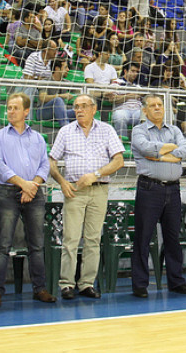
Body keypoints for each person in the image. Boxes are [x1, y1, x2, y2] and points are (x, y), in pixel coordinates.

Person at [48, 94, 124, 300]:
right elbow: (51, 161)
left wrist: (95, 174)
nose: (79, 110)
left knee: (93, 238)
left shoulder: (107, 130)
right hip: (74, 190)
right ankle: (66, 284)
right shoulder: (65, 131)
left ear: (94, 109)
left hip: (99, 189)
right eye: (76, 107)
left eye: (83, 106)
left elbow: (118, 161)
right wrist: (62, 182)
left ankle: (87, 283)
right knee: (70, 238)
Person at [0, 93, 56, 307]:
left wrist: (32, 185)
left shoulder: (37, 138)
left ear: (26, 111)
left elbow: (45, 165)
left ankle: (40, 288)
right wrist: (23, 184)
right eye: (8, 108)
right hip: (8, 193)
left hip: (34, 194)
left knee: (36, 244)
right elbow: (0, 166)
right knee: (3, 244)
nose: (11, 111)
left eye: (15, 108)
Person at [129, 95, 186, 297]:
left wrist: (160, 154)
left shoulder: (174, 130)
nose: (157, 108)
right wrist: (172, 151)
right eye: (152, 106)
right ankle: (140, 284)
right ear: (145, 111)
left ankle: (176, 281)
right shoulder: (138, 130)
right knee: (143, 237)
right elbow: (146, 148)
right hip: (150, 189)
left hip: (173, 189)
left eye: (160, 105)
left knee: (173, 237)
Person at [36, 57, 77, 127]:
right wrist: (61, 96)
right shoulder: (45, 82)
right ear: (57, 69)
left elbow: (79, 92)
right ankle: (66, 129)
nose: (68, 70)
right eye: (65, 67)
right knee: (58, 100)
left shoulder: (66, 83)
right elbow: (42, 98)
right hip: (43, 112)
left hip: (60, 112)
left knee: (79, 112)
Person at [108, 63, 144, 139]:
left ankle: (138, 142)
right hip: (122, 109)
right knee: (120, 117)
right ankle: (122, 142)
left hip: (137, 110)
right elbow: (112, 99)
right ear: (125, 71)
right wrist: (129, 96)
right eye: (133, 71)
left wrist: (123, 96)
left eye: (136, 72)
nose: (135, 74)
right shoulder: (116, 83)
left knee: (144, 116)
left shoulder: (138, 86)